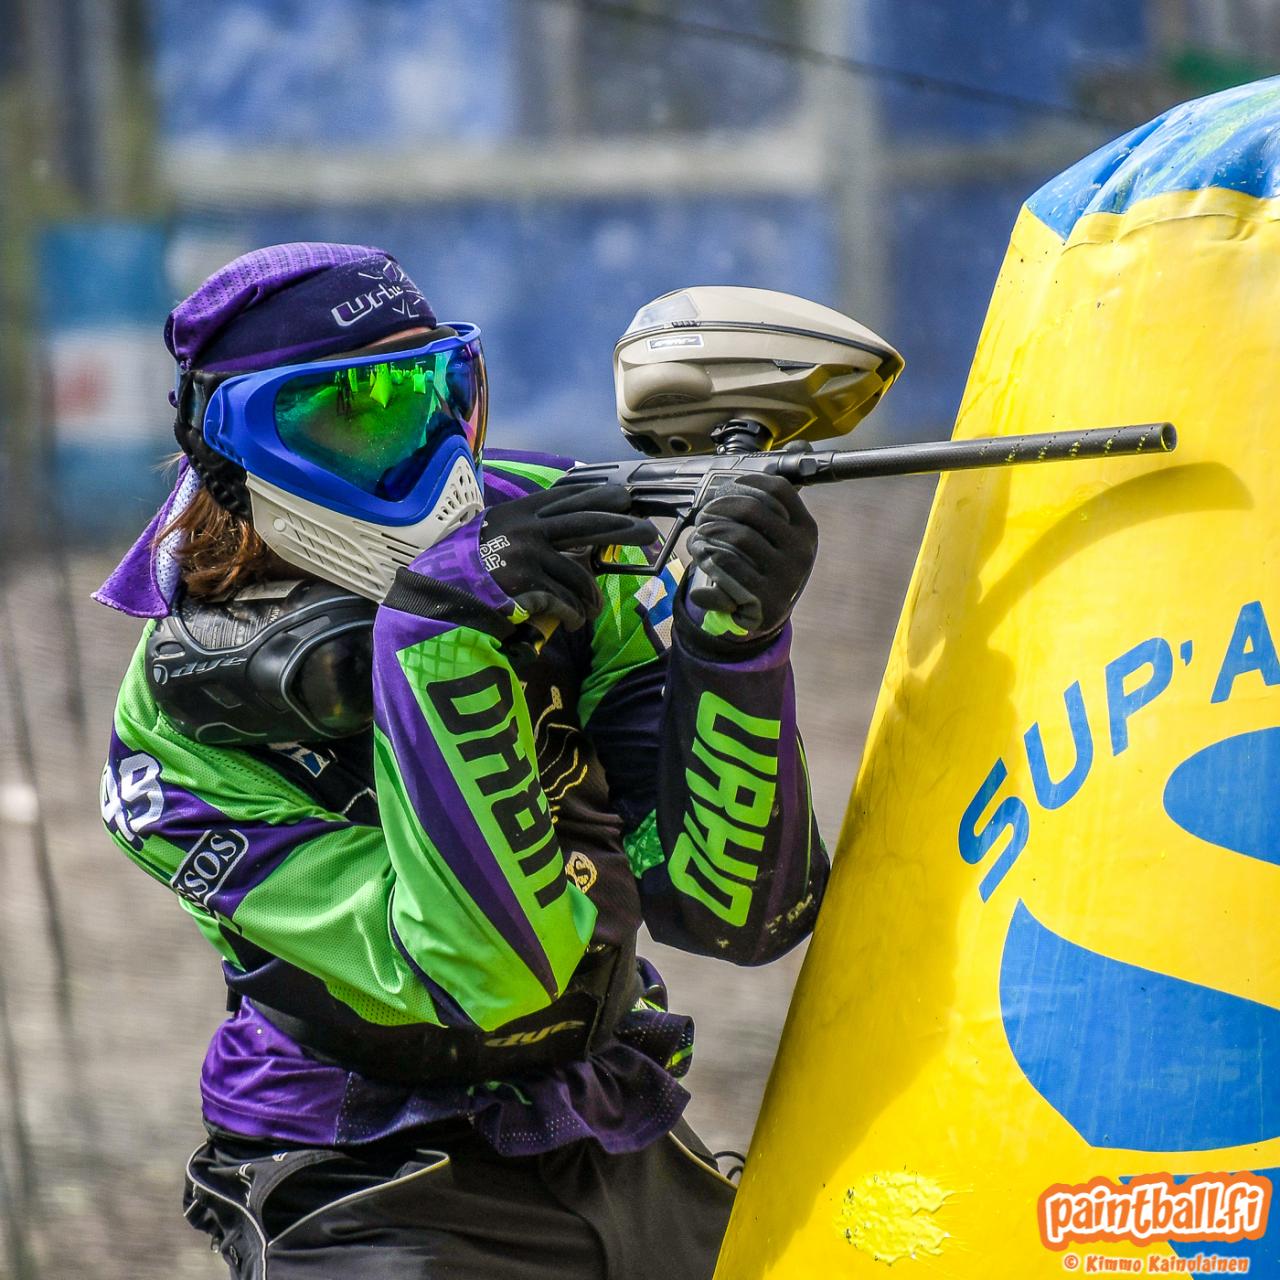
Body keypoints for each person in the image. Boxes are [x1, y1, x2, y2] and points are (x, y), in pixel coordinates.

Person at [96, 242, 828, 1279]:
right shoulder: (173, 731)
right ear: (237, 443)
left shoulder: (543, 531)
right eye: (362, 413)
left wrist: (734, 641)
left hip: (614, 1126)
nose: (432, 455)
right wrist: (441, 635)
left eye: (441, 391)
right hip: (364, 1180)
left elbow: (738, 910)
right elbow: (492, 978)